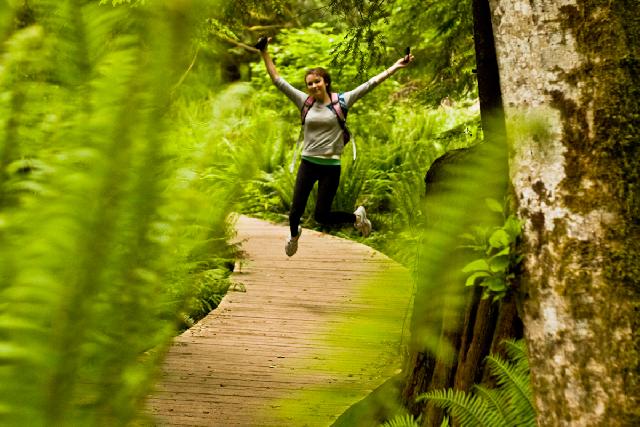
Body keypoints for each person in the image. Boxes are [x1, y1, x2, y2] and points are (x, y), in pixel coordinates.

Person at [257, 38, 414, 256]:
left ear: (326, 82)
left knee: (322, 216)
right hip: (308, 163)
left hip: (331, 165)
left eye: (317, 81)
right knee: (295, 213)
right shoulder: (304, 102)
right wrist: (264, 51)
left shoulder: (342, 101)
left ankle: (357, 218)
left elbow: (370, 84)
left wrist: (395, 67)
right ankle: (294, 235)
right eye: (309, 83)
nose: (313, 86)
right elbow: (277, 80)